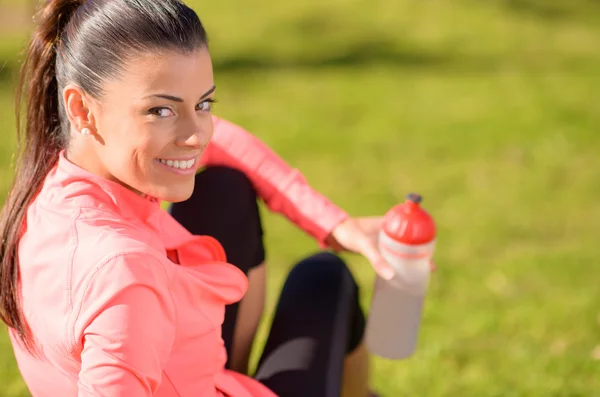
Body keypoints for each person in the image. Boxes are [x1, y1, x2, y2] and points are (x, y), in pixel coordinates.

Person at [0, 1, 396, 396]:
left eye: (202, 104)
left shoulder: (40, 192)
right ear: (82, 109)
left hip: (192, 373)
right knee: (326, 279)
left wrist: (333, 224)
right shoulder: (125, 274)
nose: (196, 135)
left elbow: (223, 140)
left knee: (223, 189)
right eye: (160, 110)